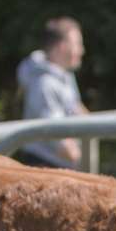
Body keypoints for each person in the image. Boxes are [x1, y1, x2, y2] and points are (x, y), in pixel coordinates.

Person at [15, 16, 89, 168]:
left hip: (60, 167)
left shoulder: (65, 75)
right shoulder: (44, 84)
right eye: (77, 44)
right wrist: (87, 157)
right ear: (62, 46)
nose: (82, 51)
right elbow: (58, 139)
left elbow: (77, 109)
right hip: (45, 169)